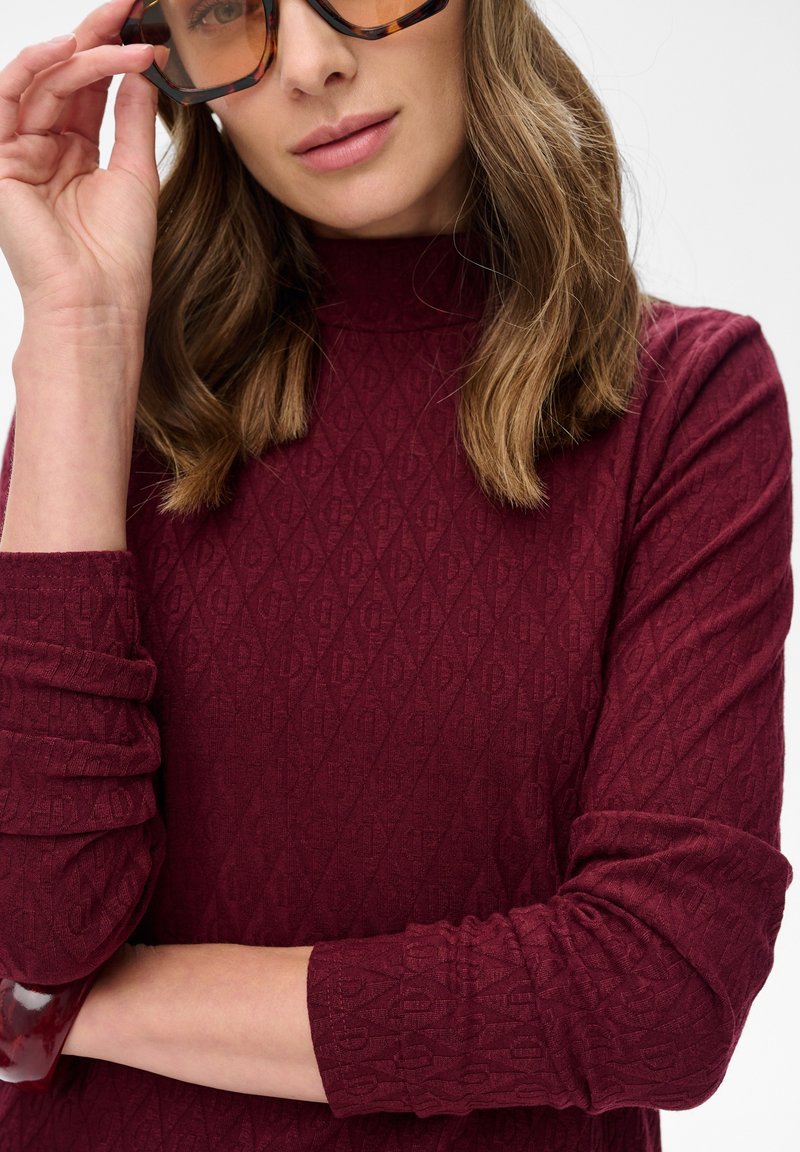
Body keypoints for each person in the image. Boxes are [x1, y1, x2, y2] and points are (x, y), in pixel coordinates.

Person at [0, 0, 793, 1149]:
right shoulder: (112, 390)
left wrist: (70, 1013)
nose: (310, 64)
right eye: (227, 9)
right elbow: (40, 926)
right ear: (163, 53)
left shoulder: (683, 403)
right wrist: (76, 336)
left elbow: (654, 996)